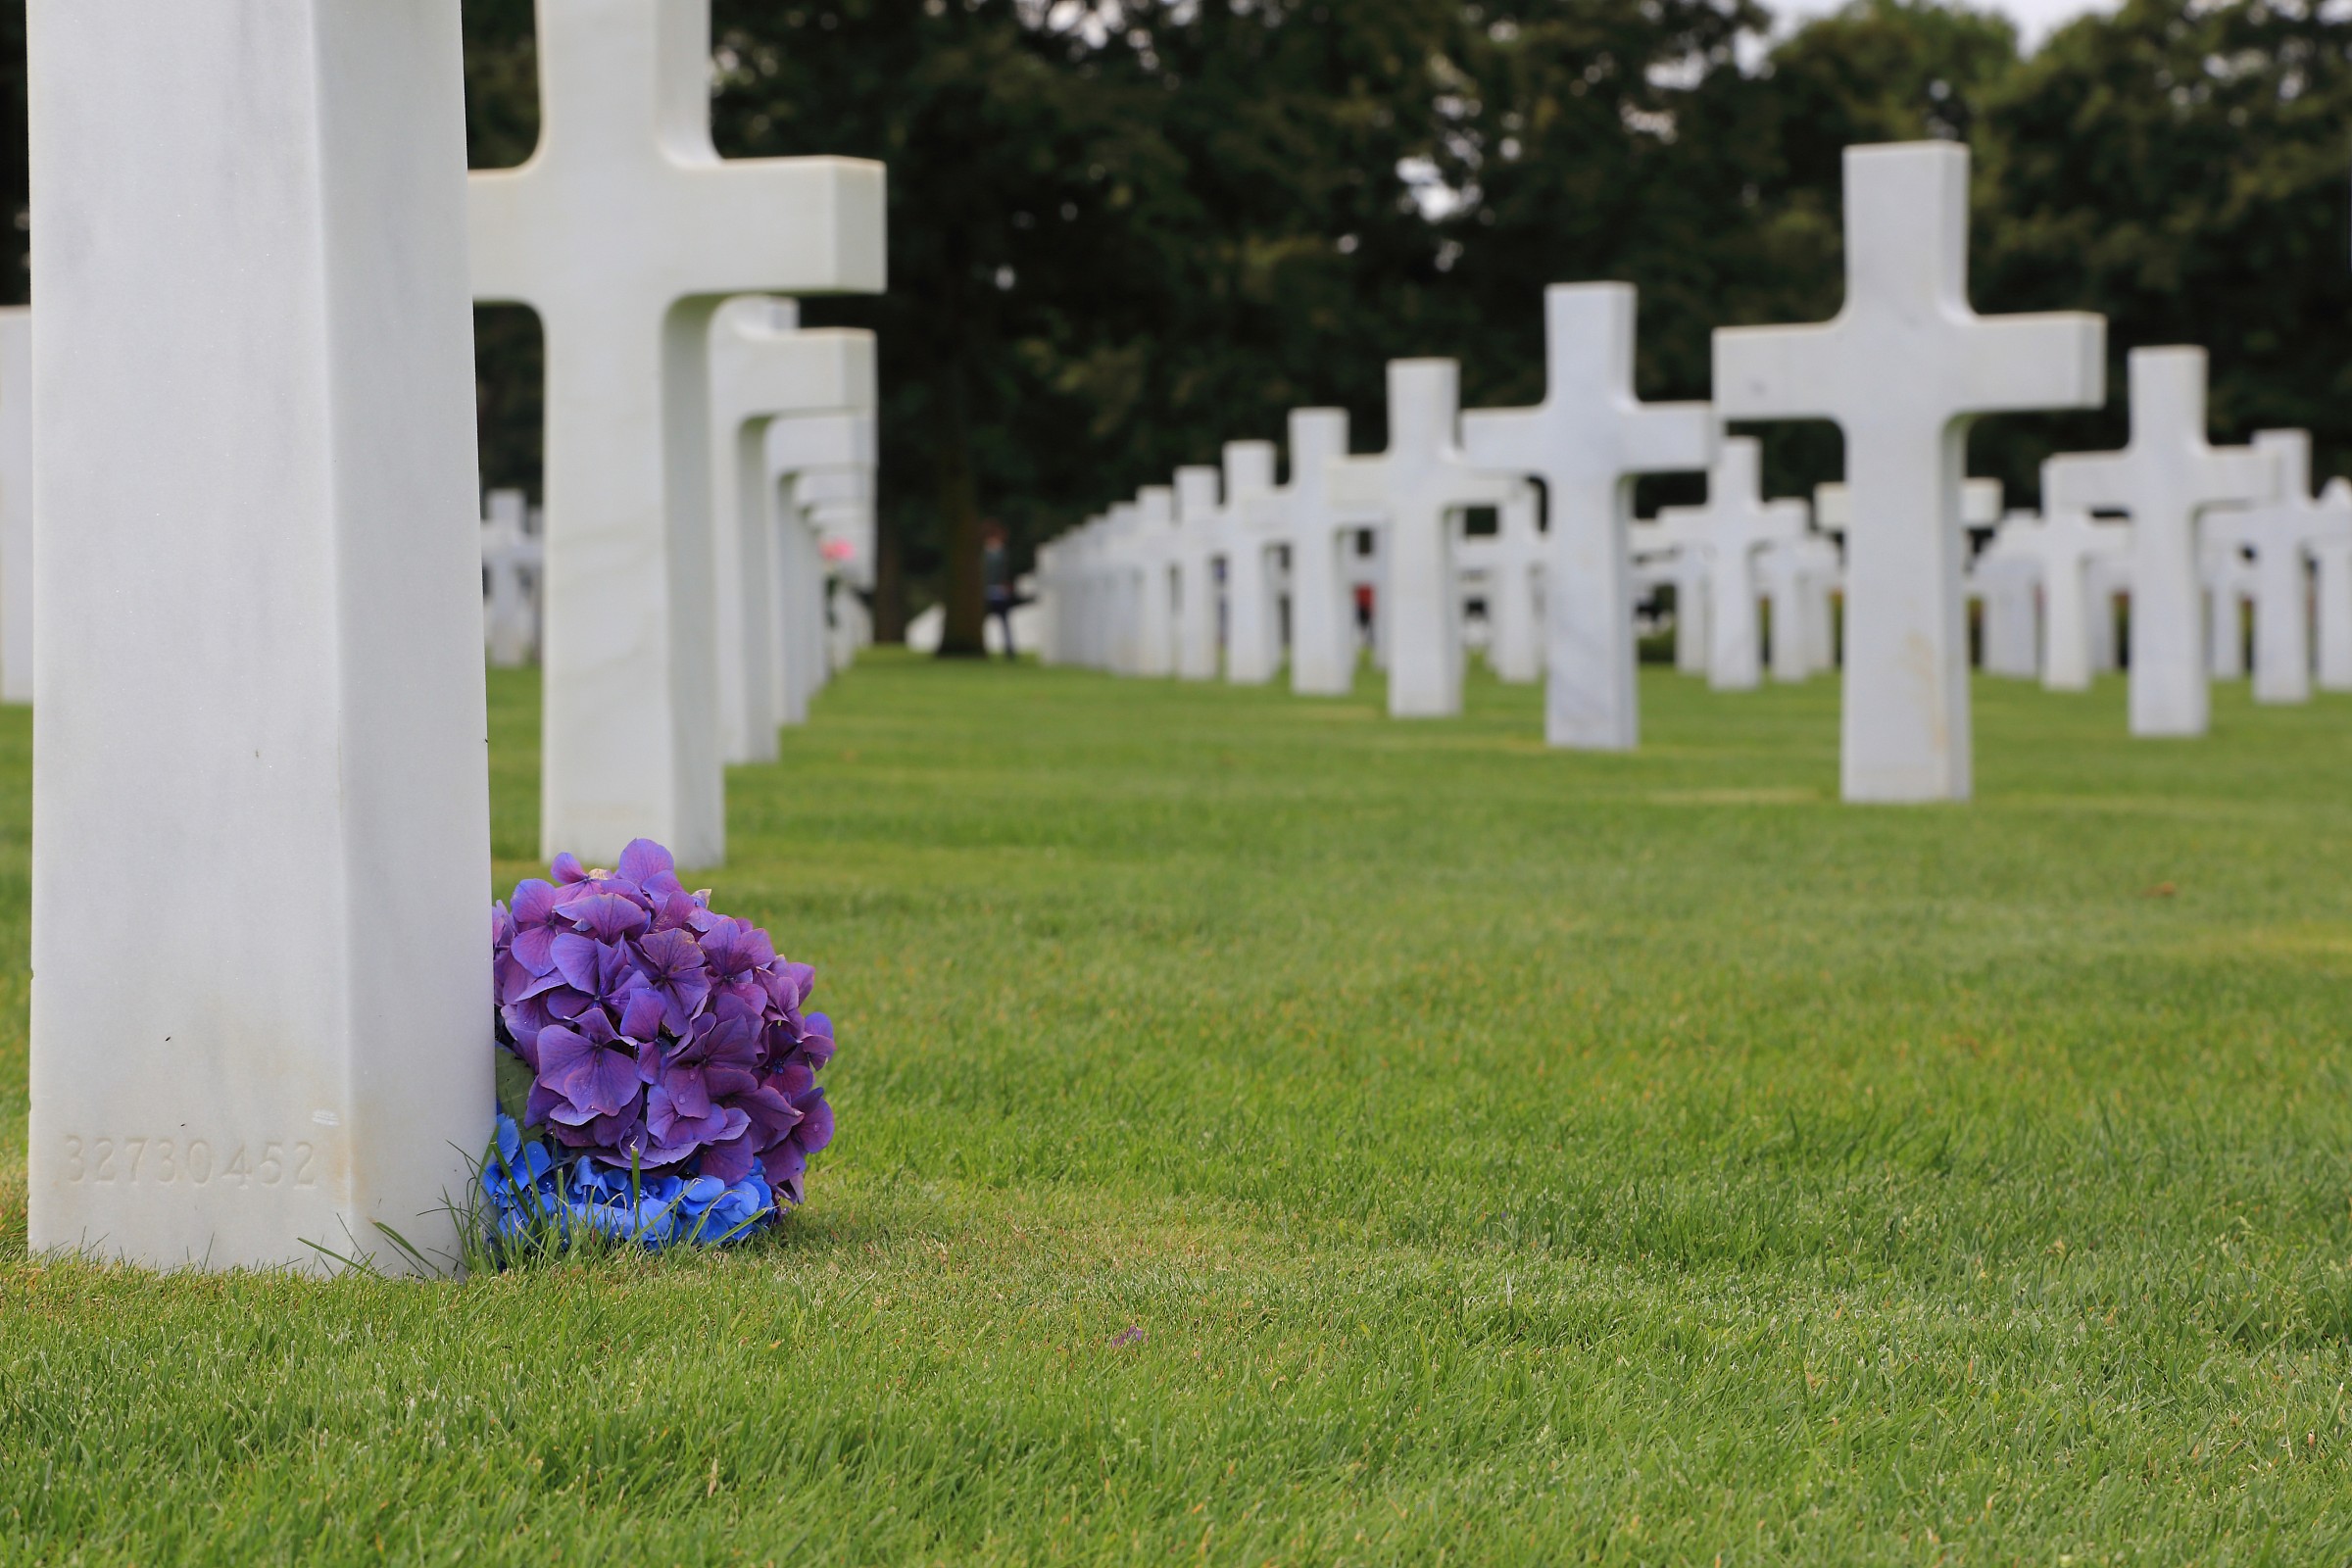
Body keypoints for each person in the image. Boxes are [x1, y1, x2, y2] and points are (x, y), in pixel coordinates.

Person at [982, 519, 1021, 659]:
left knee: (1004, 622)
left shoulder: (1001, 552)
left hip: (998, 591)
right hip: (989, 591)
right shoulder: (988, 554)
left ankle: (1009, 648)